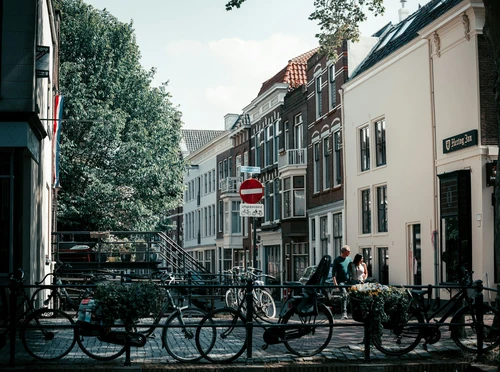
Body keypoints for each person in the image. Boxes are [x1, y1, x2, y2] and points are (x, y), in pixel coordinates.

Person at [332, 245, 352, 319]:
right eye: (348, 251)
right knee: (344, 295)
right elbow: (333, 273)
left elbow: (353, 268)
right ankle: (344, 313)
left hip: (349, 281)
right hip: (341, 282)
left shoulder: (349, 259)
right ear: (344, 252)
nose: (350, 252)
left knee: (351, 295)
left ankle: (351, 311)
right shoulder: (337, 260)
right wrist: (336, 284)